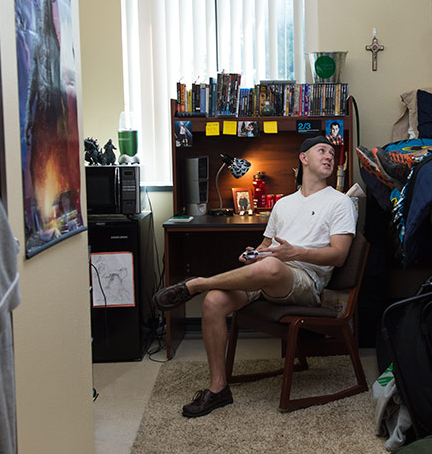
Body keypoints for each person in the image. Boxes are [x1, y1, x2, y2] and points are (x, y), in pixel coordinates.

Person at [153, 135, 357, 418]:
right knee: (214, 302)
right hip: (269, 271)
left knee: (269, 267)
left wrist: (294, 253)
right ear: (303, 158)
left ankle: (197, 283)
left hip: (305, 281)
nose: (329, 157)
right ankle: (218, 388)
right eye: (322, 150)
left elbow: (339, 255)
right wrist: (253, 253)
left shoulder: (340, 202)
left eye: (332, 154)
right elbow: (265, 247)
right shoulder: (284, 204)